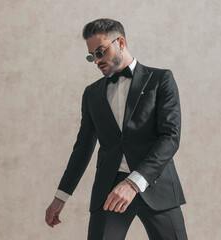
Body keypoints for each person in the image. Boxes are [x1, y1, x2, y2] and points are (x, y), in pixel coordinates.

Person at [45, 18, 188, 240]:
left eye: (100, 52)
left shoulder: (160, 79)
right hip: (109, 189)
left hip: (156, 184)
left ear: (121, 43)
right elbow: (83, 148)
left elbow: (170, 137)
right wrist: (61, 196)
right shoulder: (92, 94)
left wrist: (133, 182)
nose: (96, 60)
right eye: (91, 55)